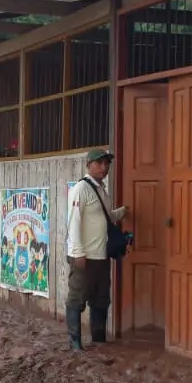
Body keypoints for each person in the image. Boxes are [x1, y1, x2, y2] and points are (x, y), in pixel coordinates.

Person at [65, 147, 126, 351]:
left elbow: (107, 217)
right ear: (88, 165)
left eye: (106, 163)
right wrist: (78, 252)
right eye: (99, 163)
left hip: (101, 257)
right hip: (85, 257)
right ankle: (75, 343)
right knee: (77, 298)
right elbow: (74, 222)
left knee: (100, 300)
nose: (104, 167)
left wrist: (122, 212)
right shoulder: (81, 190)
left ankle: (98, 339)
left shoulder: (101, 190)